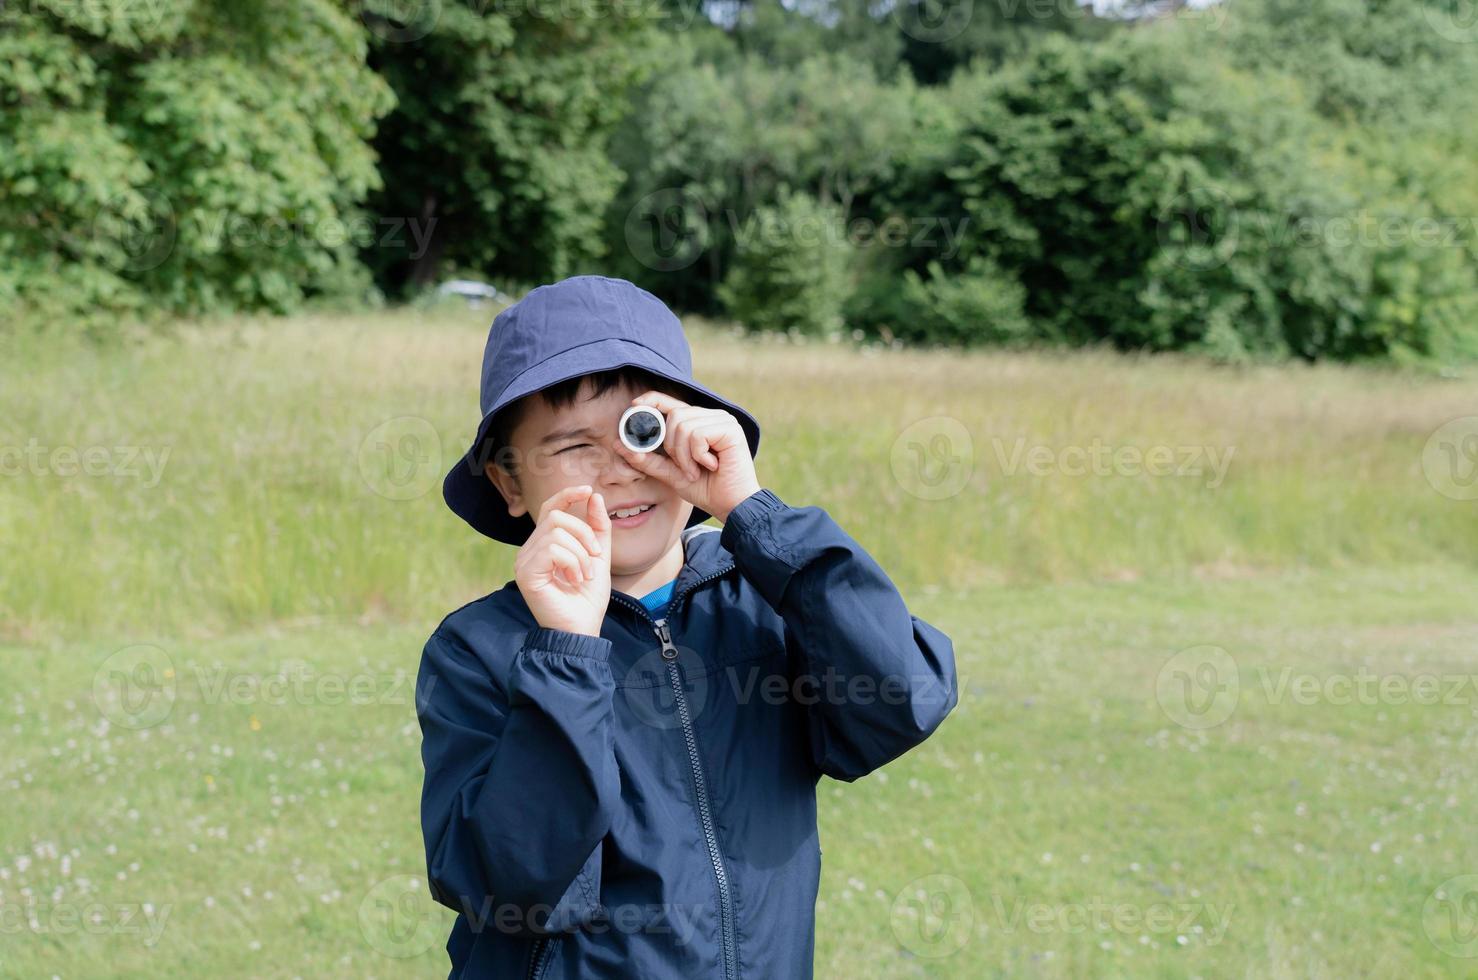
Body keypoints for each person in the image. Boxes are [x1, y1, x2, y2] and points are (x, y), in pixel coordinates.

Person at [416, 274, 958, 978]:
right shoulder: (483, 649)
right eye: (573, 446)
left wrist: (754, 515)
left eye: (643, 433)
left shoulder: (765, 605)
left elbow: (903, 699)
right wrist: (567, 653)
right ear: (510, 483)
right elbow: (513, 881)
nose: (621, 474)